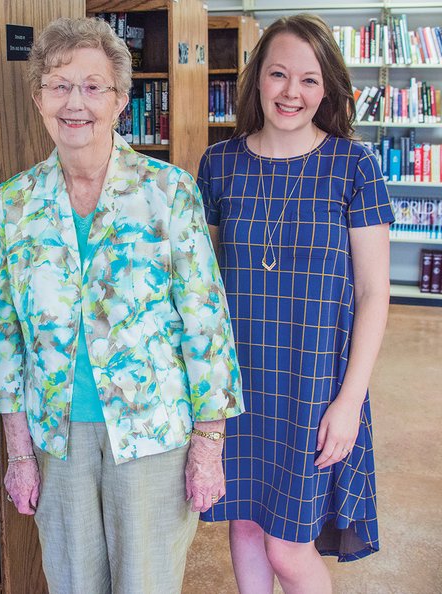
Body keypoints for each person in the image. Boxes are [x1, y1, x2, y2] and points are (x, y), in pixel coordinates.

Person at [0, 17, 244, 594]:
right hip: (57, 436)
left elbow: (206, 322)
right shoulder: (16, 200)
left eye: (93, 86)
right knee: (73, 584)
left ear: (122, 100)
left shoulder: (168, 191)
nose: (76, 102)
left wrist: (209, 445)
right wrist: (19, 453)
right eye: (59, 85)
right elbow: (5, 333)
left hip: (152, 434)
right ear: (38, 98)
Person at [197, 13, 393, 594]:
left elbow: (373, 291)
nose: (291, 92)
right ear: (256, 79)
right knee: (247, 524)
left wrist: (351, 400)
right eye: (279, 74)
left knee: (289, 545)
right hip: (238, 381)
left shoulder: (353, 166)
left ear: (328, 87)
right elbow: (200, 286)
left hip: (315, 384)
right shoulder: (218, 165)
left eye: (309, 79)